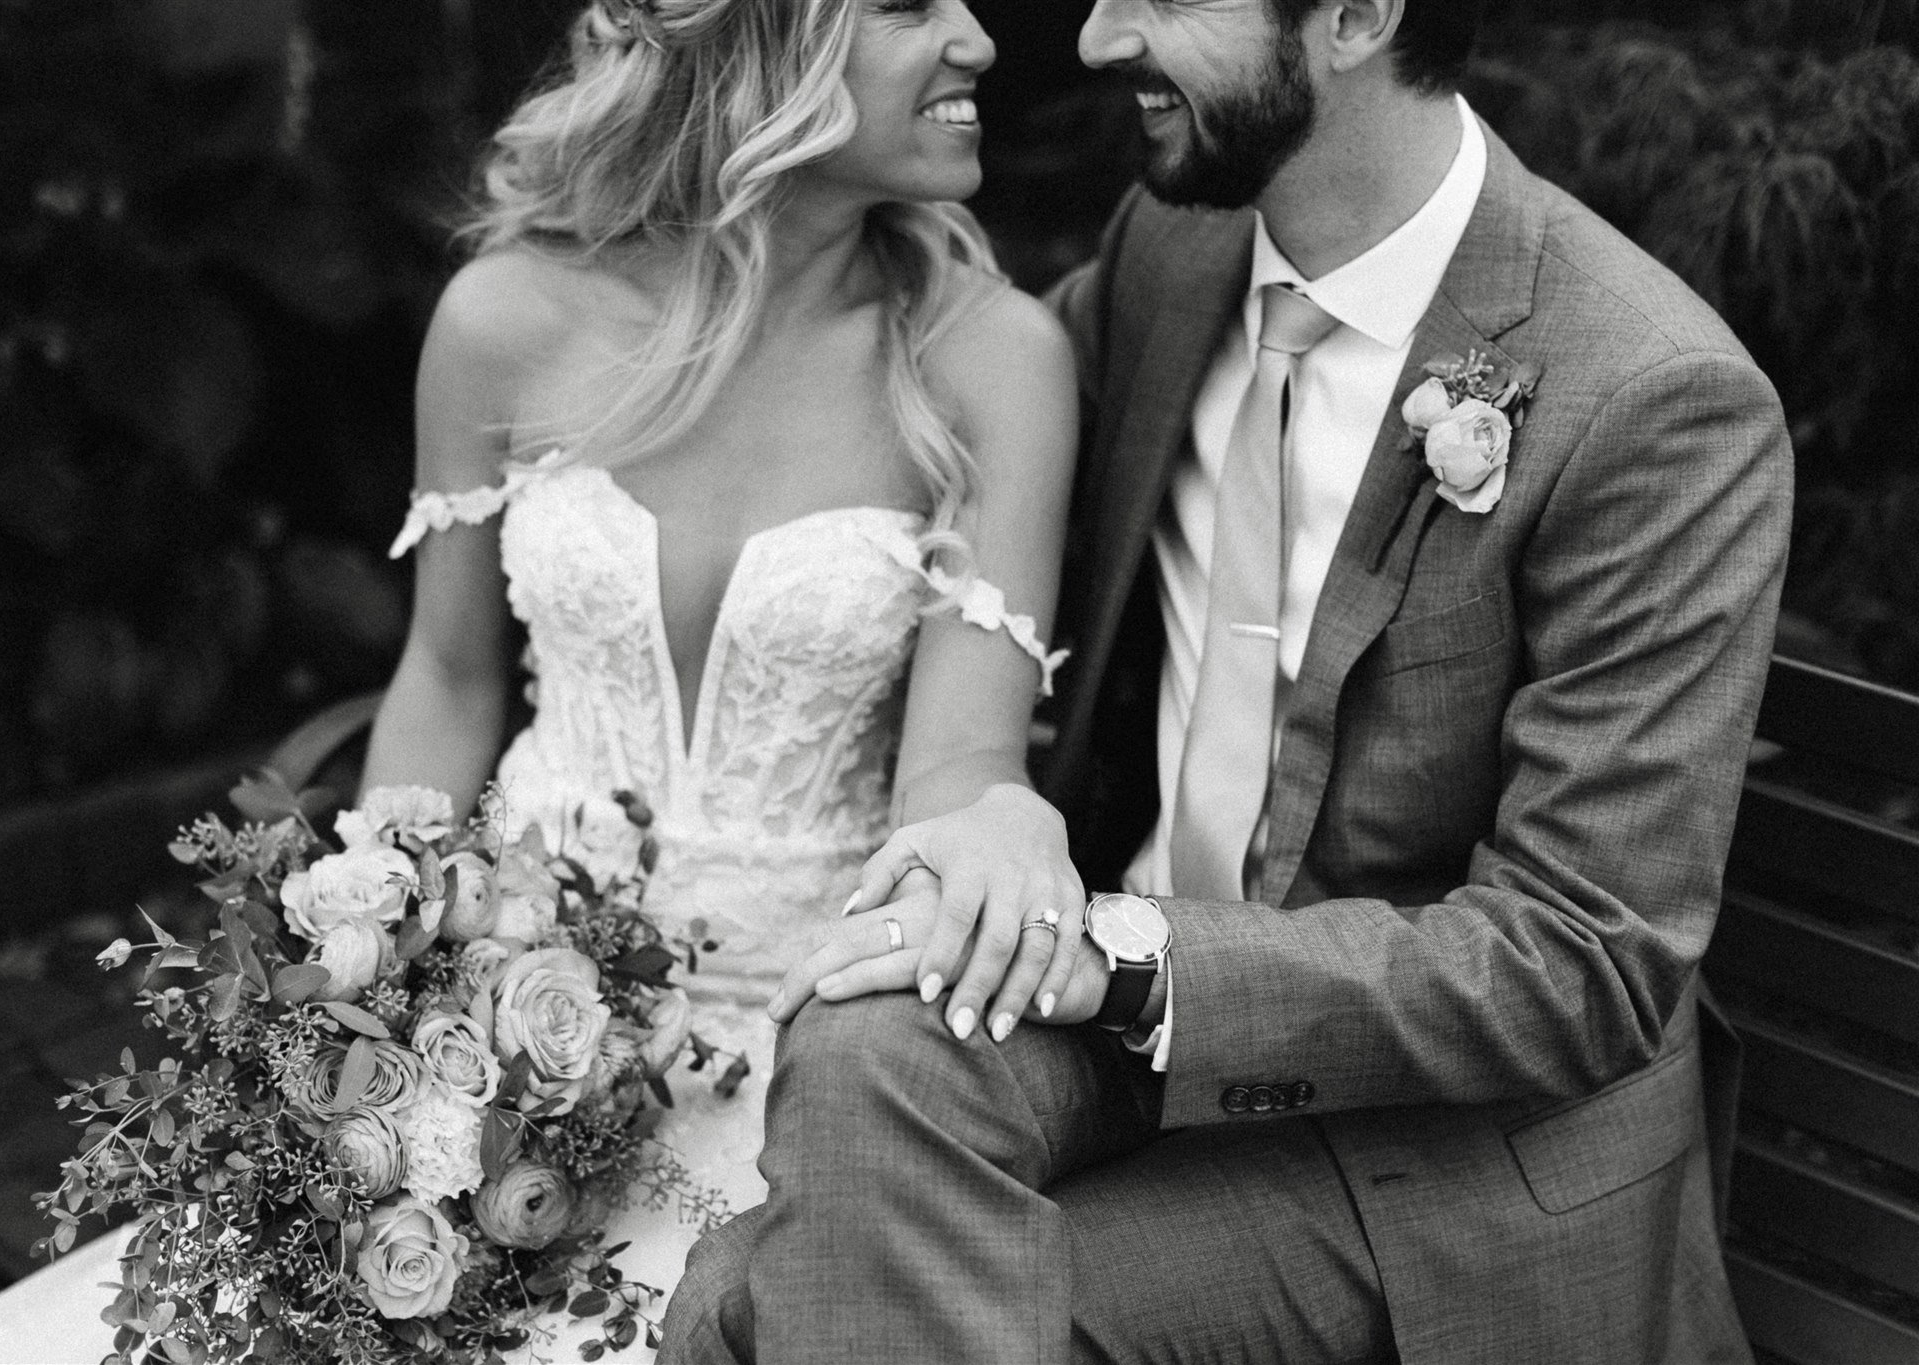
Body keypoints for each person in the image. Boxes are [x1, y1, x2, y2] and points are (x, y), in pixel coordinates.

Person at [0, 1, 1082, 1360]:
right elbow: (448, 677)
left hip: (794, 1058)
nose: (983, 38)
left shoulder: (993, 361)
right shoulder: (505, 318)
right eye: (915, 6)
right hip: (482, 1007)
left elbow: (958, 771)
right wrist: (366, 962)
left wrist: (999, 827)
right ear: (753, 42)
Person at [662, 0, 1792, 1362]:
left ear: (1360, 17)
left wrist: (1125, 957)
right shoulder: (1178, 248)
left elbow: (1581, 963)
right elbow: (930, 415)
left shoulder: (1653, 397)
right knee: (868, 1043)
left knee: (747, 1308)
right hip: (1139, 1042)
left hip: (1444, 1155)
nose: (1090, 39)